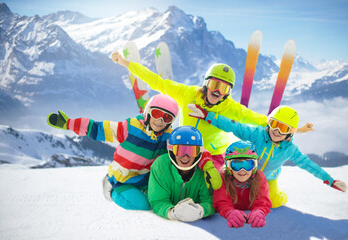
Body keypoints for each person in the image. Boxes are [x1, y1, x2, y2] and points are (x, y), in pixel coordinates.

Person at [111, 51, 270, 171]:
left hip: (213, 154)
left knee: (209, 182)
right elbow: (157, 82)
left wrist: (283, 126)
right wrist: (126, 63)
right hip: (184, 147)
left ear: (228, 92)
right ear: (206, 83)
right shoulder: (187, 93)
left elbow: (255, 118)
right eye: (215, 85)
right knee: (164, 169)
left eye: (224, 89)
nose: (217, 92)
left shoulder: (230, 107)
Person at [188, 104, 347, 208]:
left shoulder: (289, 149)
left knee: (273, 202)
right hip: (241, 170)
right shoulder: (257, 134)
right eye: (275, 124)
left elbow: (308, 164)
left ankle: (281, 196)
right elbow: (234, 126)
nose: (277, 131)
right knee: (222, 195)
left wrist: (330, 180)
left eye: (283, 128)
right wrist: (207, 115)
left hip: (267, 177)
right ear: (269, 122)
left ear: (290, 133)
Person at [47, 94, 180, 210]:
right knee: (143, 205)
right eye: (157, 114)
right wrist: (69, 123)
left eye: (167, 118)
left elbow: (181, 151)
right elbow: (98, 128)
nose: (160, 120)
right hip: (123, 179)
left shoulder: (167, 137)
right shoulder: (130, 127)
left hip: (145, 180)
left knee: (161, 200)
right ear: (148, 112)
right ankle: (111, 190)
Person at [148, 126, 215, 222]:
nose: (185, 157)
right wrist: (172, 213)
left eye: (191, 151)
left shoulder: (204, 170)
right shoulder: (160, 165)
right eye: (180, 150)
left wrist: (201, 210)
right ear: (171, 150)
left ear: (199, 152)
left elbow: (210, 201)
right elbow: (158, 200)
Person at [213, 140, 271, 228]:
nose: (242, 170)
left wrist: (259, 211)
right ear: (228, 166)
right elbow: (221, 201)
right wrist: (229, 212)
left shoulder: (259, 177)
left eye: (248, 164)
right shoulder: (223, 178)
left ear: (254, 166)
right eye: (236, 165)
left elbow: (262, 200)